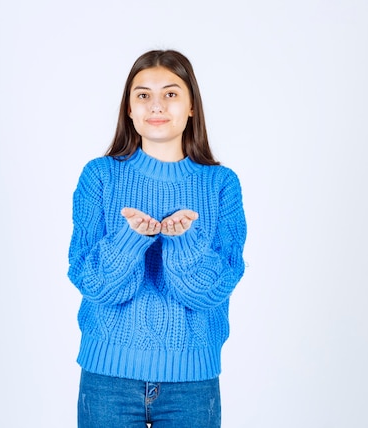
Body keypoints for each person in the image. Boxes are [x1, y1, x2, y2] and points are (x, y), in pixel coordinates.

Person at [67, 49, 247, 427]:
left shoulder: (220, 184)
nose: (156, 106)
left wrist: (182, 244)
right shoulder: (99, 176)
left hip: (192, 383)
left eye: (170, 93)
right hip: (107, 379)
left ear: (191, 106)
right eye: (143, 95)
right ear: (129, 109)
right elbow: (92, 283)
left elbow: (213, 291)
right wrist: (130, 240)